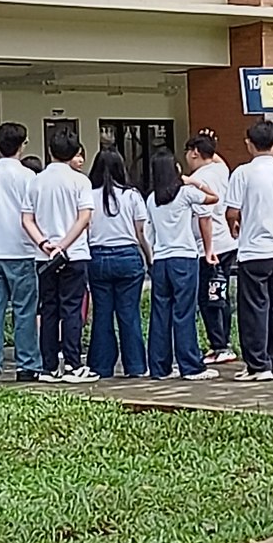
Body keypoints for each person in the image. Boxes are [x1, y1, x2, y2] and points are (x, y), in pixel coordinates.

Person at [226, 121, 273, 382]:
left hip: (254, 251)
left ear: (250, 143)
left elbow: (232, 211)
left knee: (254, 309)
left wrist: (234, 225)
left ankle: (259, 365)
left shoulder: (242, 174)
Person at [0, 123, 44, 384]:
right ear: (22, 145)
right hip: (22, 250)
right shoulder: (29, 177)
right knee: (24, 310)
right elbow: (36, 214)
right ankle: (27, 365)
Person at [144, 146, 220, 381]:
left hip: (161, 260)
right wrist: (193, 182)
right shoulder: (185, 193)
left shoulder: (151, 198)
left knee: (160, 313)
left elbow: (151, 232)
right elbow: (213, 197)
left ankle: (160, 366)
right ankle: (190, 365)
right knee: (184, 312)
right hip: (184, 259)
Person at [29, 126, 96, 383]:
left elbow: (27, 219)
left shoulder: (36, 180)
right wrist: (64, 245)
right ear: (73, 153)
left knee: (48, 309)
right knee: (71, 309)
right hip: (75, 254)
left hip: (43, 256)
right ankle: (72, 364)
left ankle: (48, 367)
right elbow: (84, 217)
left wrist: (45, 243)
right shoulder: (80, 181)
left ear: (50, 151)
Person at [85, 147, 151, 379]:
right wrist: (149, 258)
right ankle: (135, 367)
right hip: (128, 257)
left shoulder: (88, 195)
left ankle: (100, 367)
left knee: (102, 314)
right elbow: (141, 231)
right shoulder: (132, 195)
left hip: (98, 257)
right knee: (129, 314)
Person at [185, 132, 238, 365]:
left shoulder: (198, 177)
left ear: (194, 152)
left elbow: (202, 216)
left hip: (209, 247)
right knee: (221, 294)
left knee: (208, 298)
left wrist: (207, 249)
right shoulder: (221, 171)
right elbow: (218, 160)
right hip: (227, 243)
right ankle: (223, 342)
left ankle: (219, 345)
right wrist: (210, 144)